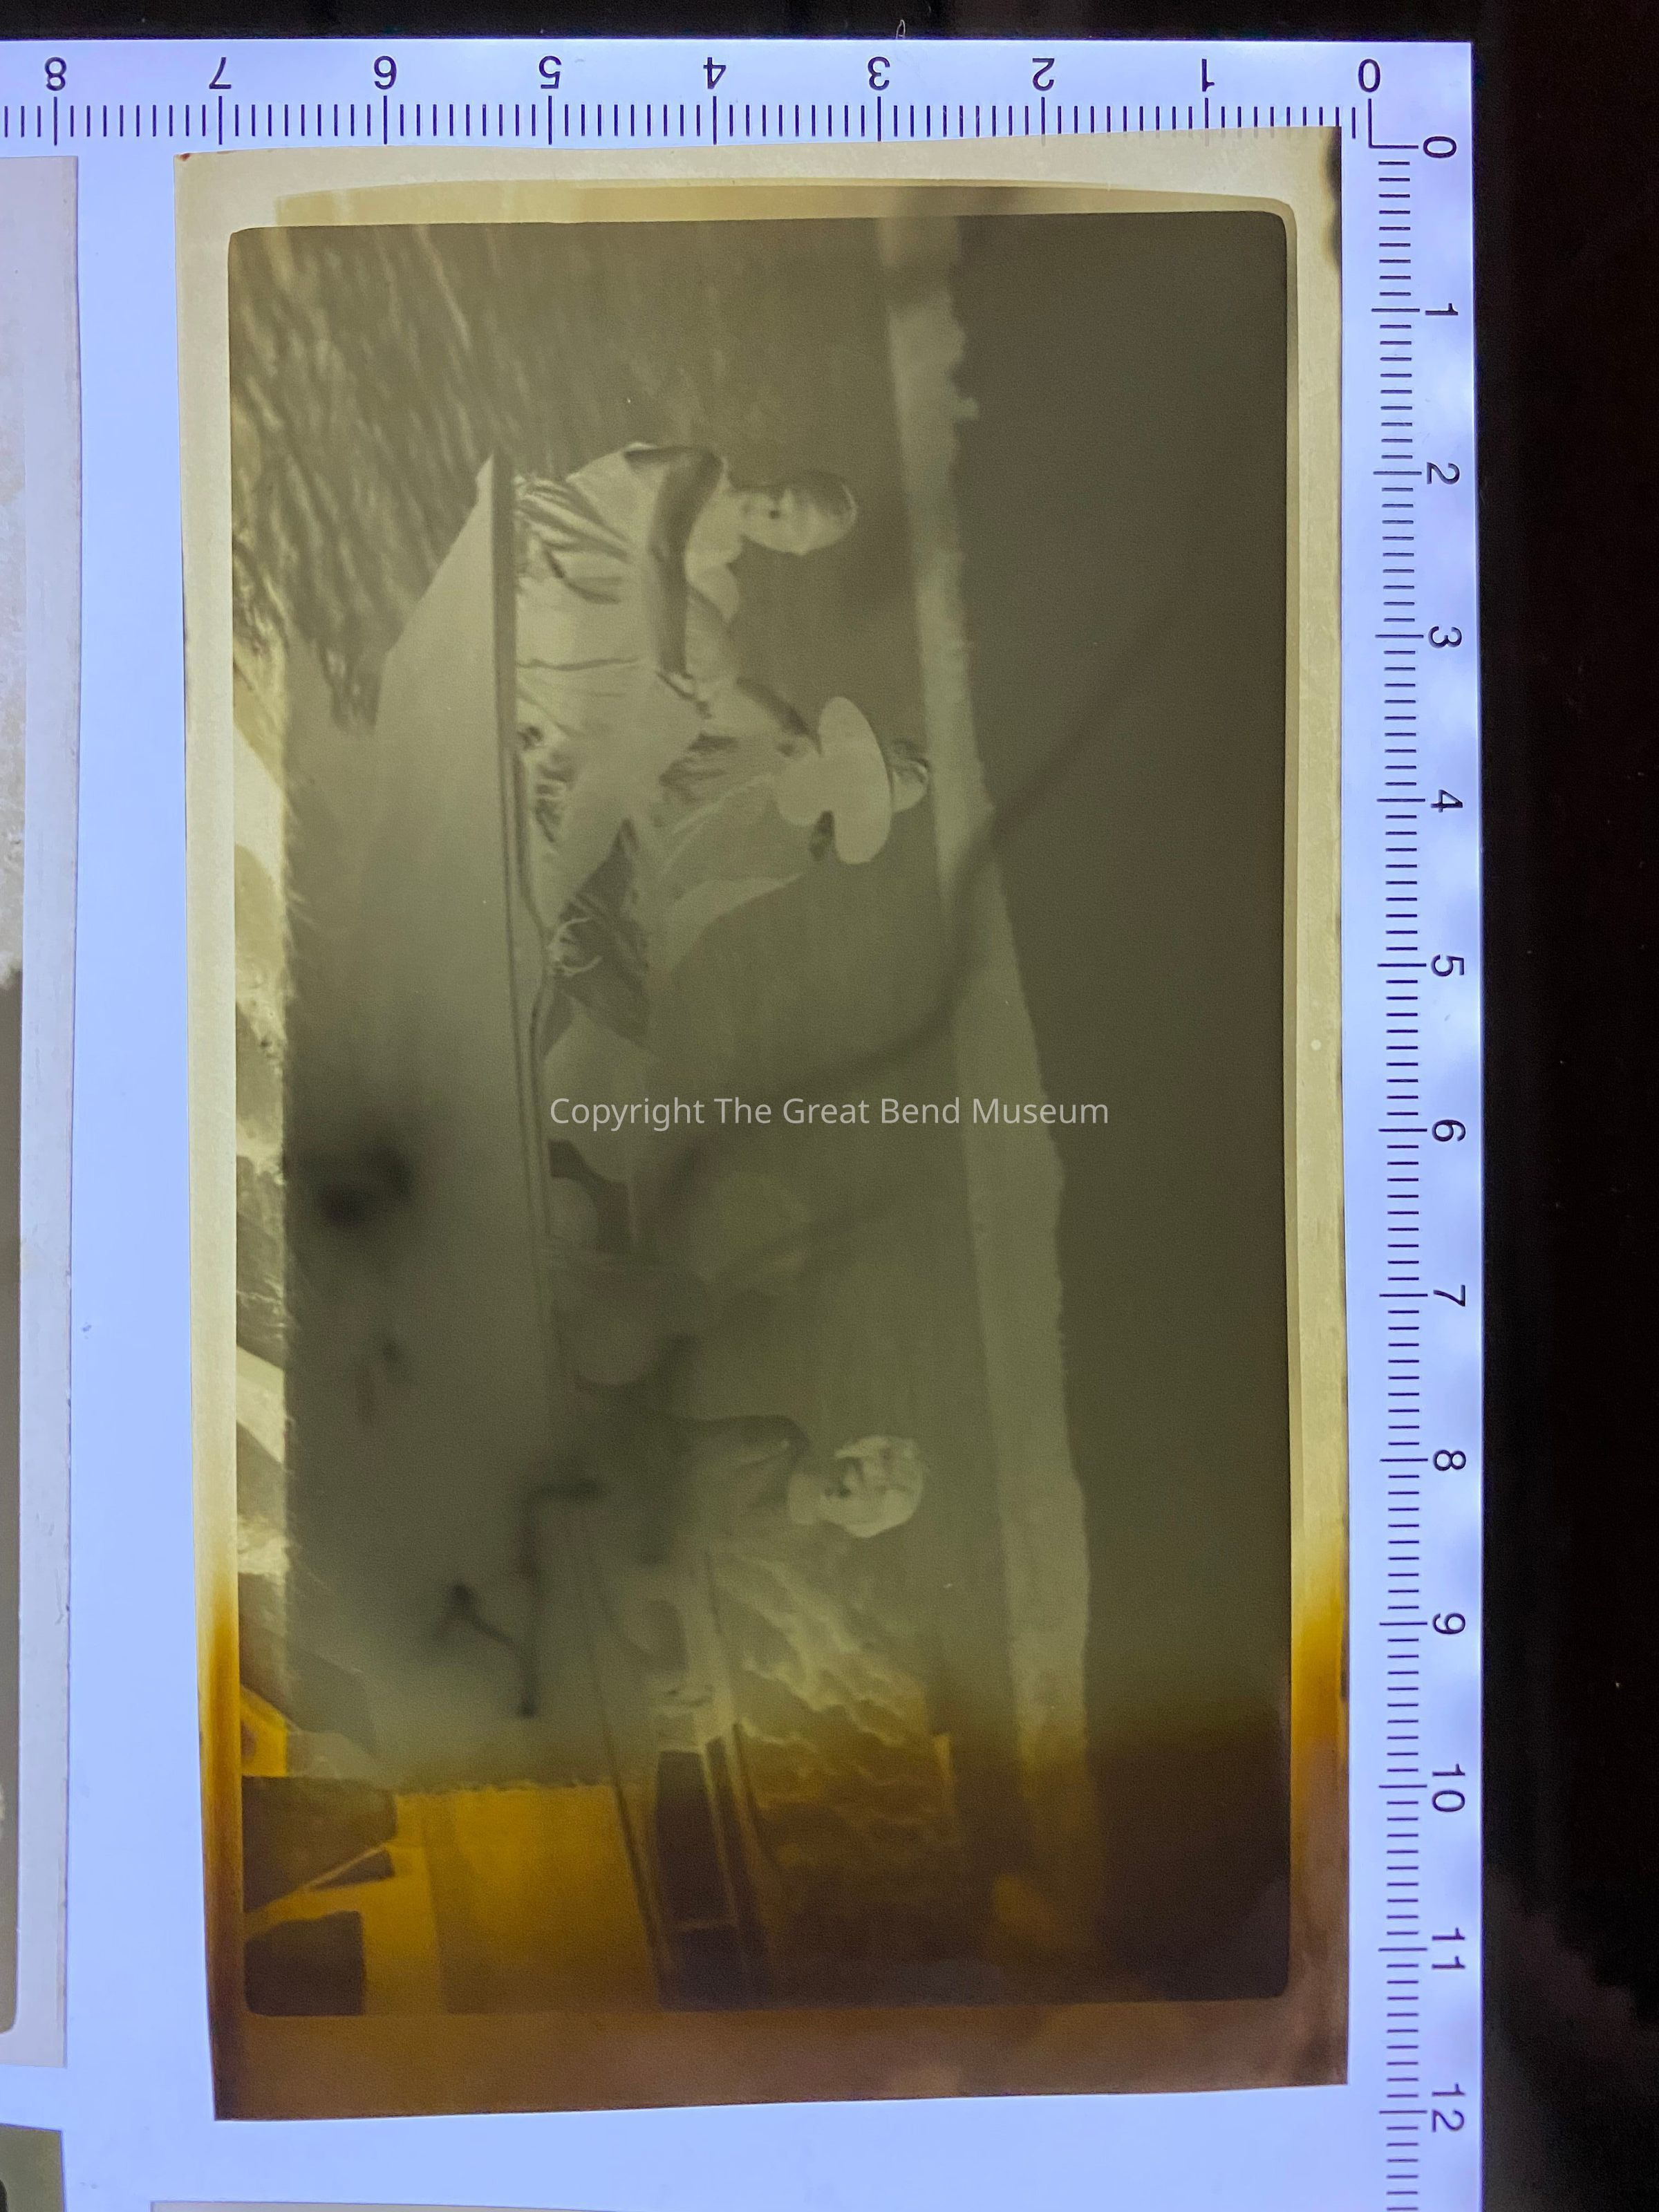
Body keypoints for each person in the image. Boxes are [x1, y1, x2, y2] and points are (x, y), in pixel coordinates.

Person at [511, 444, 859, 928]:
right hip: (561, 549)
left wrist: (784, 725)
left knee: (690, 692)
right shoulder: (704, 469)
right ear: (781, 478)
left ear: (792, 551)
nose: (772, 511)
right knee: (703, 658)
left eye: (789, 526)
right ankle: (554, 766)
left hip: (584, 606)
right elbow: (661, 553)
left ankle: (557, 795)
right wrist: (672, 667)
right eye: (786, 497)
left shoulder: (716, 582)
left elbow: (712, 694)